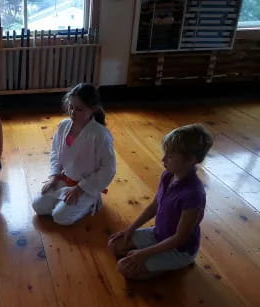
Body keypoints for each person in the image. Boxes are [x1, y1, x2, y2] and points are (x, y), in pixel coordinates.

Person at [108, 124, 213, 279]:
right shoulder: (168, 175)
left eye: (170, 156)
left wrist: (143, 253)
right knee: (114, 244)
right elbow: (155, 205)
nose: (163, 159)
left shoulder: (193, 195)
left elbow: (180, 238)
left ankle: (175, 264)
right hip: (159, 235)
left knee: (124, 268)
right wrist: (131, 229)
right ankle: (153, 261)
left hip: (179, 249)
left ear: (191, 159)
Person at [32, 83, 116, 225]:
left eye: (79, 109)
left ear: (93, 109)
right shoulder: (64, 126)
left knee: (60, 217)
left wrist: (80, 189)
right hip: (64, 179)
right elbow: (55, 154)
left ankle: (91, 202)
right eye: (70, 107)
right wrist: (54, 177)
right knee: (38, 206)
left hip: (86, 187)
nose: (72, 112)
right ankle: (63, 202)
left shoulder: (100, 134)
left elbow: (109, 169)